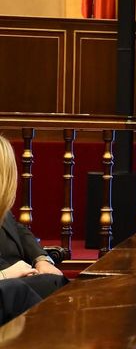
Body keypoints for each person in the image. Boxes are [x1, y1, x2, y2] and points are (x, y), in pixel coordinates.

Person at [0, 135, 67, 323]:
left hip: (21, 280)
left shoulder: (2, 209)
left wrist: (41, 259)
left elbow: (21, 231)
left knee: (54, 282)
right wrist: (7, 274)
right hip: (8, 286)